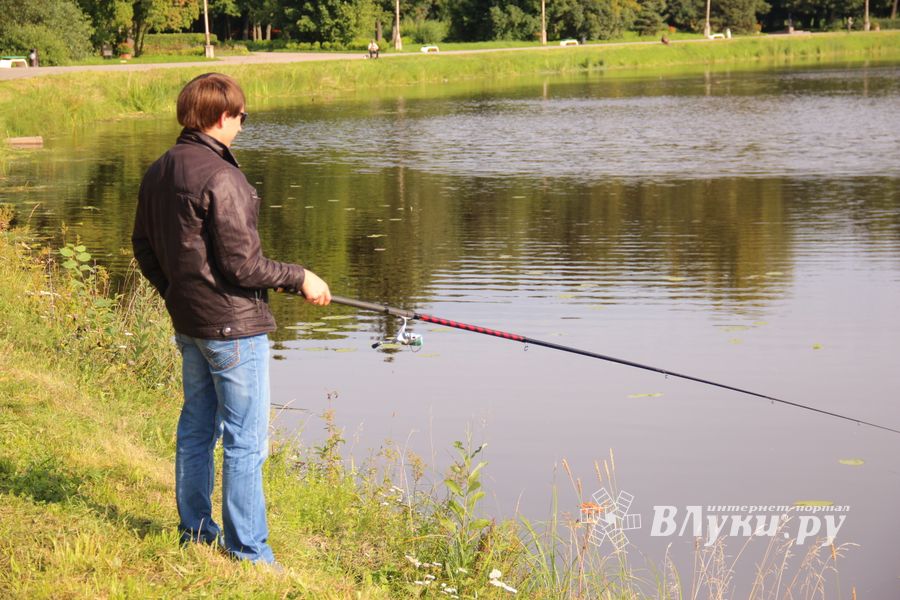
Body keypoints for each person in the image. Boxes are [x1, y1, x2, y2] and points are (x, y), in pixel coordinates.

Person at [132, 72, 331, 565]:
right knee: (246, 442)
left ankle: (196, 534)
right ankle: (249, 552)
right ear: (224, 117)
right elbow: (244, 265)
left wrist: (178, 295)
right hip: (234, 329)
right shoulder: (224, 177)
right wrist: (300, 276)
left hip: (191, 324)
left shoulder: (159, 170)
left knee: (197, 428)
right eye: (242, 118)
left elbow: (143, 248)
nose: (242, 127)